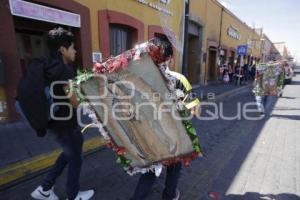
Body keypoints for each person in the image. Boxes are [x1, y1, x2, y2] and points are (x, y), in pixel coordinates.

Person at [131, 39, 200, 200]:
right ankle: (169, 196)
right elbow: (195, 109)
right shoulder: (178, 79)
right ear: (169, 59)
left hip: (149, 137)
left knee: (149, 172)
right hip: (174, 137)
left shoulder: (138, 79)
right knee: (174, 168)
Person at [30, 27, 94, 200]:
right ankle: (72, 196)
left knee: (69, 153)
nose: (75, 51)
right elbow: (74, 102)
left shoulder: (48, 67)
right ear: (62, 49)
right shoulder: (64, 70)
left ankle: (44, 188)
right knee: (75, 158)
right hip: (66, 124)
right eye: (72, 47)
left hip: (55, 122)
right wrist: (89, 96)